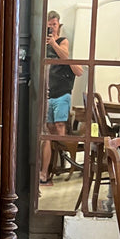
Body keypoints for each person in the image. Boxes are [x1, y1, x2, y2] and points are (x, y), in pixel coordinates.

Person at [40, 11, 84, 184]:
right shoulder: (43, 44)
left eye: (54, 24)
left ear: (59, 26)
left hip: (62, 95)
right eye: (49, 25)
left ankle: (64, 160)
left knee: (59, 127)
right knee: (49, 130)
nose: (51, 28)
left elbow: (66, 57)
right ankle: (53, 165)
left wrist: (53, 43)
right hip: (47, 95)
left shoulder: (61, 42)